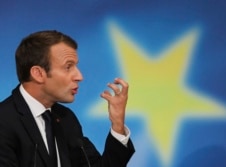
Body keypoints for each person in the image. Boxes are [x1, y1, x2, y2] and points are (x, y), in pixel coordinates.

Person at [0, 30, 135, 167]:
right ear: (38, 73)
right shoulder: (3, 121)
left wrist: (117, 124)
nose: (79, 76)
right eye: (68, 67)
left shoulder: (66, 118)